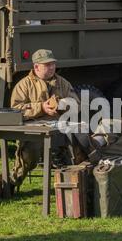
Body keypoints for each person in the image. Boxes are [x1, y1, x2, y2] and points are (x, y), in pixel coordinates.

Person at [10, 49, 81, 187]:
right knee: (29, 156)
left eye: (53, 64)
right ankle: (12, 183)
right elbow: (15, 109)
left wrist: (62, 104)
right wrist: (41, 108)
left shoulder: (62, 83)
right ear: (36, 67)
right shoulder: (24, 85)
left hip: (59, 130)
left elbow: (76, 104)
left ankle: (72, 185)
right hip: (34, 130)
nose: (52, 67)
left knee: (79, 146)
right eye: (47, 65)